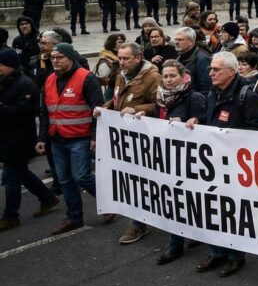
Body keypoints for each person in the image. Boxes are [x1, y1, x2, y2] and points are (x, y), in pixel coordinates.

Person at [188, 51, 258, 275]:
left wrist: (230, 136)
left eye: (215, 70)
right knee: (211, 208)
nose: (210, 73)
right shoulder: (212, 93)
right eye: (211, 69)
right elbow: (209, 120)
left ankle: (235, 256)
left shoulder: (247, 96)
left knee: (231, 212)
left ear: (231, 72)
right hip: (212, 161)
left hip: (235, 165)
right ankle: (217, 252)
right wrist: (197, 120)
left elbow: (256, 131)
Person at [128, 59, 207, 265]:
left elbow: (204, 121)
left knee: (184, 202)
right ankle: (179, 242)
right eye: (166, 76)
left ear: (183, 76)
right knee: (172, 202)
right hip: (164, 158)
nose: (169, 80)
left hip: (187, 160)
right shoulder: (161, 97)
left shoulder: (194, 97)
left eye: (173, 76)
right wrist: (142, 113)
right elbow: (158, 115)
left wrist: (192, 122)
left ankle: (181, 243)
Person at [37, 43, 111, 235]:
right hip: (57, 138)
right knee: (65, 180)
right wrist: (42, 138)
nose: (55, 61)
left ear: (71, 58)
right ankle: (74, 217)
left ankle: (108, 204)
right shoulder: (50, 79)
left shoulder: (86, 78)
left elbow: (98, 110)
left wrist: (95, 137)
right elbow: (45, 111)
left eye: (59, 57)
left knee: (82, 176)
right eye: (53, 57)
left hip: (80, 137)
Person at [102, 41, 161, 246]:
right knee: (132, 180)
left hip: (144, 138)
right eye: (120, 58)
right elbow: (119, 99)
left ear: (138, 57)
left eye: (126, 58)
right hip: (124, 137)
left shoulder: (152, 77)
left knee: (143, 182)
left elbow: (160, 104)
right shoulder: (121, 75)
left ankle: (139, 223)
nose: (122, 62)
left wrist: (138, 109)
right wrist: (107, 107)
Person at [0, 48, 60, 231]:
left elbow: (26, 111)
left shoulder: (25, 84)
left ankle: (11, 215)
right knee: (22, 173)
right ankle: (48, 198)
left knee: (11, 177)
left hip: (21, 139)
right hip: (6, 137)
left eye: (1, 65)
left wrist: (1, 107)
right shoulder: (5, 81)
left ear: (10, 65)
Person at [174, 27, 212, 93]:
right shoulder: (180, 56)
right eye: (176, 39)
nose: (176, 42)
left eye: (180, 40)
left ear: (191, 42)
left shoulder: (203, 59)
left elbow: (205, 88)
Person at [94, 33, 125, 101]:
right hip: (111, 91)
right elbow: (105, 79)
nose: (123, 44)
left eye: (123, 41)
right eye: (120, 42)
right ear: (113, 45)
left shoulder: (121, 56)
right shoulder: (105, 59)